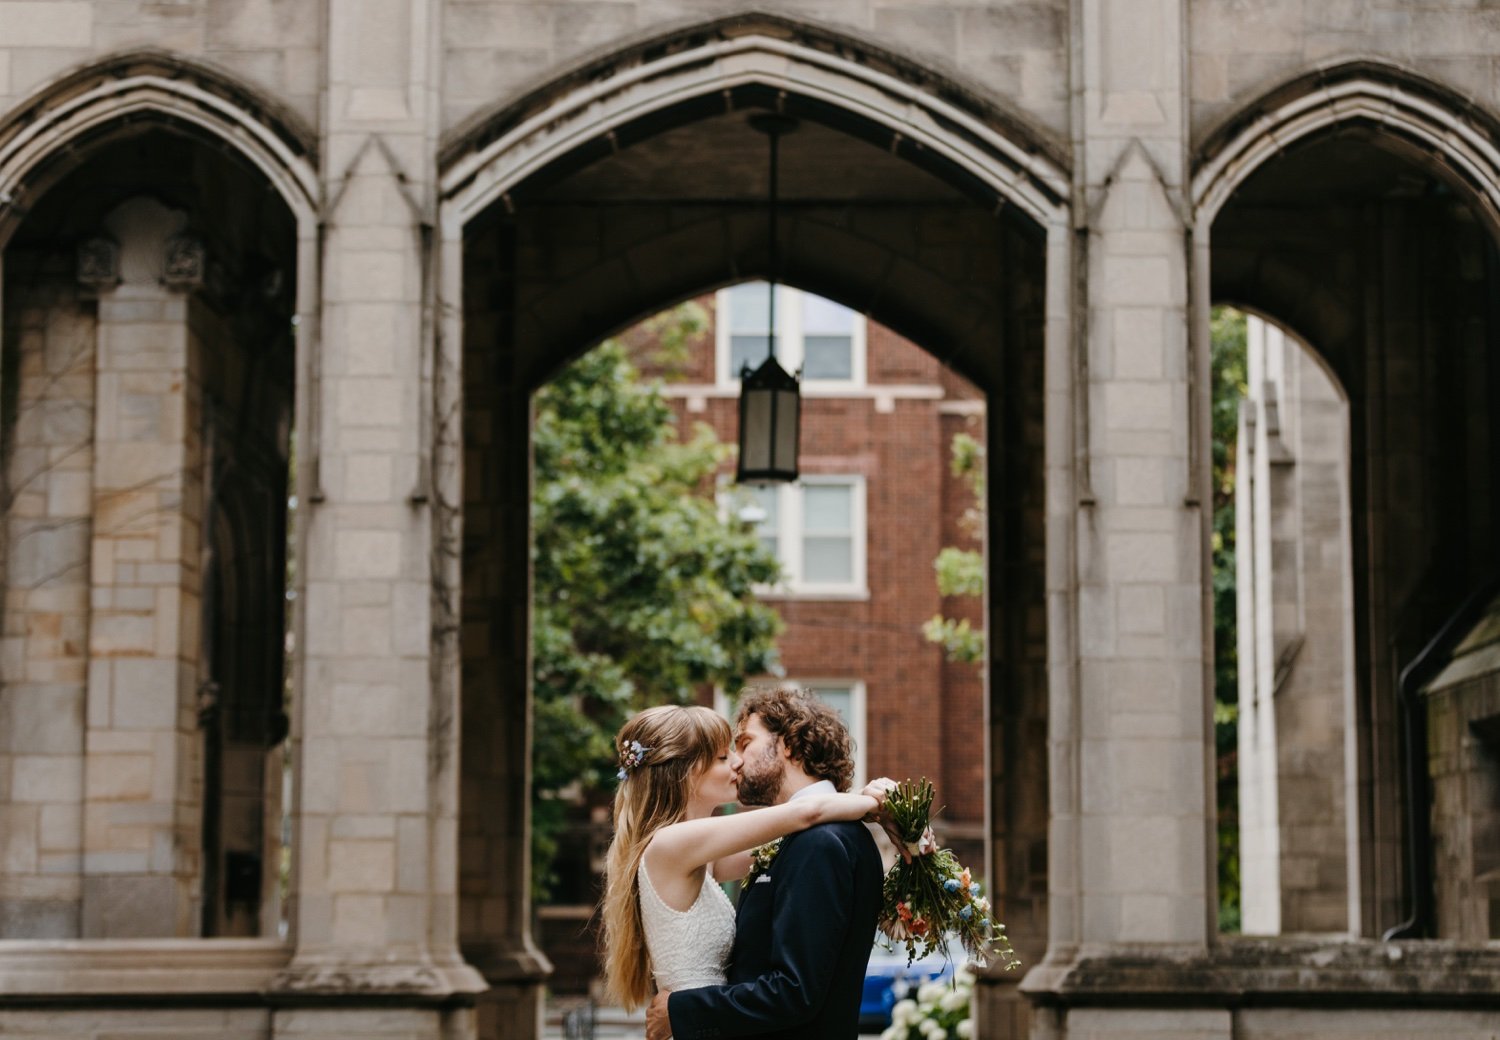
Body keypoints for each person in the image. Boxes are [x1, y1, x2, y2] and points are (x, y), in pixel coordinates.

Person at [600, 701, 890, 1027]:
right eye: (724, 757)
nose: (737, 763)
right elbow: (806, 813)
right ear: (688, 771)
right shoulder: (672, 845)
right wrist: (877, 804)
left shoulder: (702, 858)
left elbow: (788, 846)